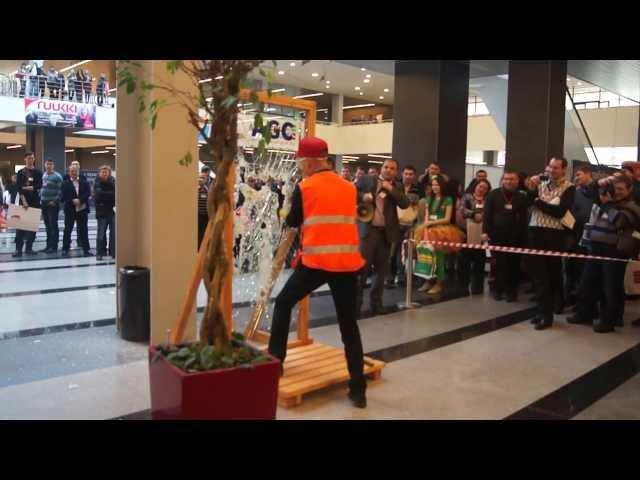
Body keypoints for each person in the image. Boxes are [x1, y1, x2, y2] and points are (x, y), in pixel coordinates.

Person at [268, 136, 368, 409]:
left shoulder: (306, 186)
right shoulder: (349, 187)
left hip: (315, 263)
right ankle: (358, 391)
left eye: (301, 162)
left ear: (311, 161)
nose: (300, 167)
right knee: (349, 325)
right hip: (347, 264)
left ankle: (275, 364)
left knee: (284, 302)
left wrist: (286, 206)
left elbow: (292, 221)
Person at [568, 175, 640, 332]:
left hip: (615, 251)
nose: (618, 192)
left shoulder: (632, 206)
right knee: (587, 282)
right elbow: (590, 192)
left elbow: (620, 221)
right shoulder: (606, 201)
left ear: (630, 189)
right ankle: (584, 313)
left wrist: (608, 205)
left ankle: (610, 320)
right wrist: (599, 183)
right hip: (596, 247)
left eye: (621, 189)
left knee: (611, 287)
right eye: (615, 189)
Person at [526, 157, 576, 330]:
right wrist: (532, 189)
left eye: (556, 168)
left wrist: (538, 202)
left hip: (554, 235)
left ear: (563, 170)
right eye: (550, 166)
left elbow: (560, 212)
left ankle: (550, 313)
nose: (552, 170)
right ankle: (542, 312)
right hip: (535, 231)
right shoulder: (539, 184)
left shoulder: (569, 188)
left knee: (552, 275)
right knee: (539, 276)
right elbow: (527, 203)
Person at [355, 158, 409, 314]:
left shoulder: (397, 186)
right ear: (381, 168)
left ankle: (376, 304)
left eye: (392, 168)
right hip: (368, 231)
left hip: (385, 234)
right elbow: (352, 193)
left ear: (396, 172)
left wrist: (390, 189)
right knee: (362, 270)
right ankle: (356, 305)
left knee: (381, 272)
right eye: (386, 167)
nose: (389, 170)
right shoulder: (367, 179)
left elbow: (404, 203)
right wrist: (362, 197)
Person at [482, 171, 529, 301]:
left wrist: (524, 237)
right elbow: (487, 215)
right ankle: (498, 290)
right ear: (502, 180)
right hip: (496, 235)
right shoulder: (493, 195)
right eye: (506, 179)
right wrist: (485, 232)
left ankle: (511, 292)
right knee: (498, 265)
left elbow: (524, 219)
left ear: (517, 181)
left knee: (514, 265)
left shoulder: (521, 197)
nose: (509, 181)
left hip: (515, 237)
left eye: (512, 179)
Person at [565, 165, 599, 307]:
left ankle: (586, 305)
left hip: (591, 238)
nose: (576, 178)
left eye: (578, 174)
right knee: (572, 270)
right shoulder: (575, 192)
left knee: (587, 274)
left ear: (588, 174)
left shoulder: (598, 191)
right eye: (575, 175)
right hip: (574, 236)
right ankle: (573, 300)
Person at [416, 176, 455, 294]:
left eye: (437, 185)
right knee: (427, 257)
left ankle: (439, 283)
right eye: (433, 185)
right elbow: (427, 215)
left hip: (442, 231)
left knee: (439, 259)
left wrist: (431, 222)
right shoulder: (428, 199)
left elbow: (447, 219)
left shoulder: (448, 199)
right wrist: (426, 226)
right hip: (428, 230)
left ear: (442, 186)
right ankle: (428, 281)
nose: (435, 187)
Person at [387, 165, 421, 288]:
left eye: (411, 174)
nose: (408, 176)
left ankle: (403, 276)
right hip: (395, 223)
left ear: (414, 176)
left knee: (408, 253)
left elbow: (420, 206)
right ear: (402, 174)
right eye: (406, 173)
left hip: (410, 225)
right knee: (392, 251)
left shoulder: (418, 190)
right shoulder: (395, 187)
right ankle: (390, 276)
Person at [461, 179, 491, 294]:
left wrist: (483, 216)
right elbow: (462, 210)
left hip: (482, 233)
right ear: (475, 186)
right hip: (467, 232)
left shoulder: (488, 200)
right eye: (480, 186)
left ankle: (477, 287)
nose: (481, 189)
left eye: (484, 187)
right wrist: (473, 214)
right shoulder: (467, 197)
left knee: (480, 261)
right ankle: (463, 286)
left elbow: (490, 212)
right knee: (465, 261)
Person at [13, 152, 43, 257]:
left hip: (35, 201)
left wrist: (26, 187)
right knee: (20, 226)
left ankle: (29, 248)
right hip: (23, 201)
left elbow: (39, 186)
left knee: (32, 226)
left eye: (32, 158)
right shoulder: (21, 172)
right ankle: (18, 249)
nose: (30, 160)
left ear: (34, 159)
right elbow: (18, 188)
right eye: (28, 158)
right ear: (25, 159)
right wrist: (24, 200)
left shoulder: (38, 172)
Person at [61, 165, 93, 257]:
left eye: (75, 171)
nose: (74, 173)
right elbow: (63, 196)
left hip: (82, 210)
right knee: (67, 230)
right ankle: (65, 249)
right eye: (72, 171)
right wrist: (72, 200)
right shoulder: (65, 183)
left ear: (78, 172)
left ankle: (86, 250)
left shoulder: (85, 182)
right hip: (70, 209)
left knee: (83, 230)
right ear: (69, 172)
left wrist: (80, 200)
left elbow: (88, 193)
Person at [40, 159, 63, 254]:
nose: (48, 166)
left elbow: (61, 191)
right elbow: (43, 188)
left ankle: (54, 246)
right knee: (47, 226)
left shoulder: (57, 176)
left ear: (53, 165)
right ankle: (48, 245)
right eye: (47, 164)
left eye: (50, 164)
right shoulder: (44, 175)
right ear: (45, 165)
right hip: (44, 203)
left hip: (52, 204)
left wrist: (54, 201)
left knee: (53, 225)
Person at [93, 165, 116, 260]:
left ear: (109, 173)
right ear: (99, 173)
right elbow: (98, 196)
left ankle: (113, 252)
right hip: (101, 212)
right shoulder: (97, 182)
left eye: (106, 172)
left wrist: (104, 194)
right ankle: (100, 252)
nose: (104, 173)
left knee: (113, 233)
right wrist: (109, 194)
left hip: (112, 211)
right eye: (102, 172)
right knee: (101, 234)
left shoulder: (113, 182)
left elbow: (116, 194)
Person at [197, 175, 209, 249]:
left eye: (202, 178)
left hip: (204, 216)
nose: (200, 179)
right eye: (199, 177)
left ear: (206, 180)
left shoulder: (206, 190)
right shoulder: (197, 189)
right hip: (198, 215)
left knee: (202, 234)